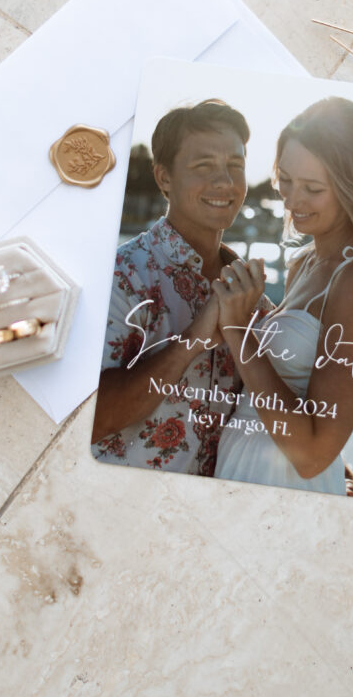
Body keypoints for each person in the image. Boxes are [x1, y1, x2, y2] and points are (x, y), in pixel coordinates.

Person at [212, 96, 353, 496]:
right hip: (244, 463)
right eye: (285, 179)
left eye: (312, 188)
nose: (291, 199)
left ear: (352, 188)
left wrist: (238, 330)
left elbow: (312, 454)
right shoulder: (305, 263)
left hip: (283, 484)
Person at [91, 99, 269, 476]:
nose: (224, 181)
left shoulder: (253, 295)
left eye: (234, 166)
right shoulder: (123, 274)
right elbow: (91, 418)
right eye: (204, 166)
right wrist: (194, 339)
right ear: (163, 178)